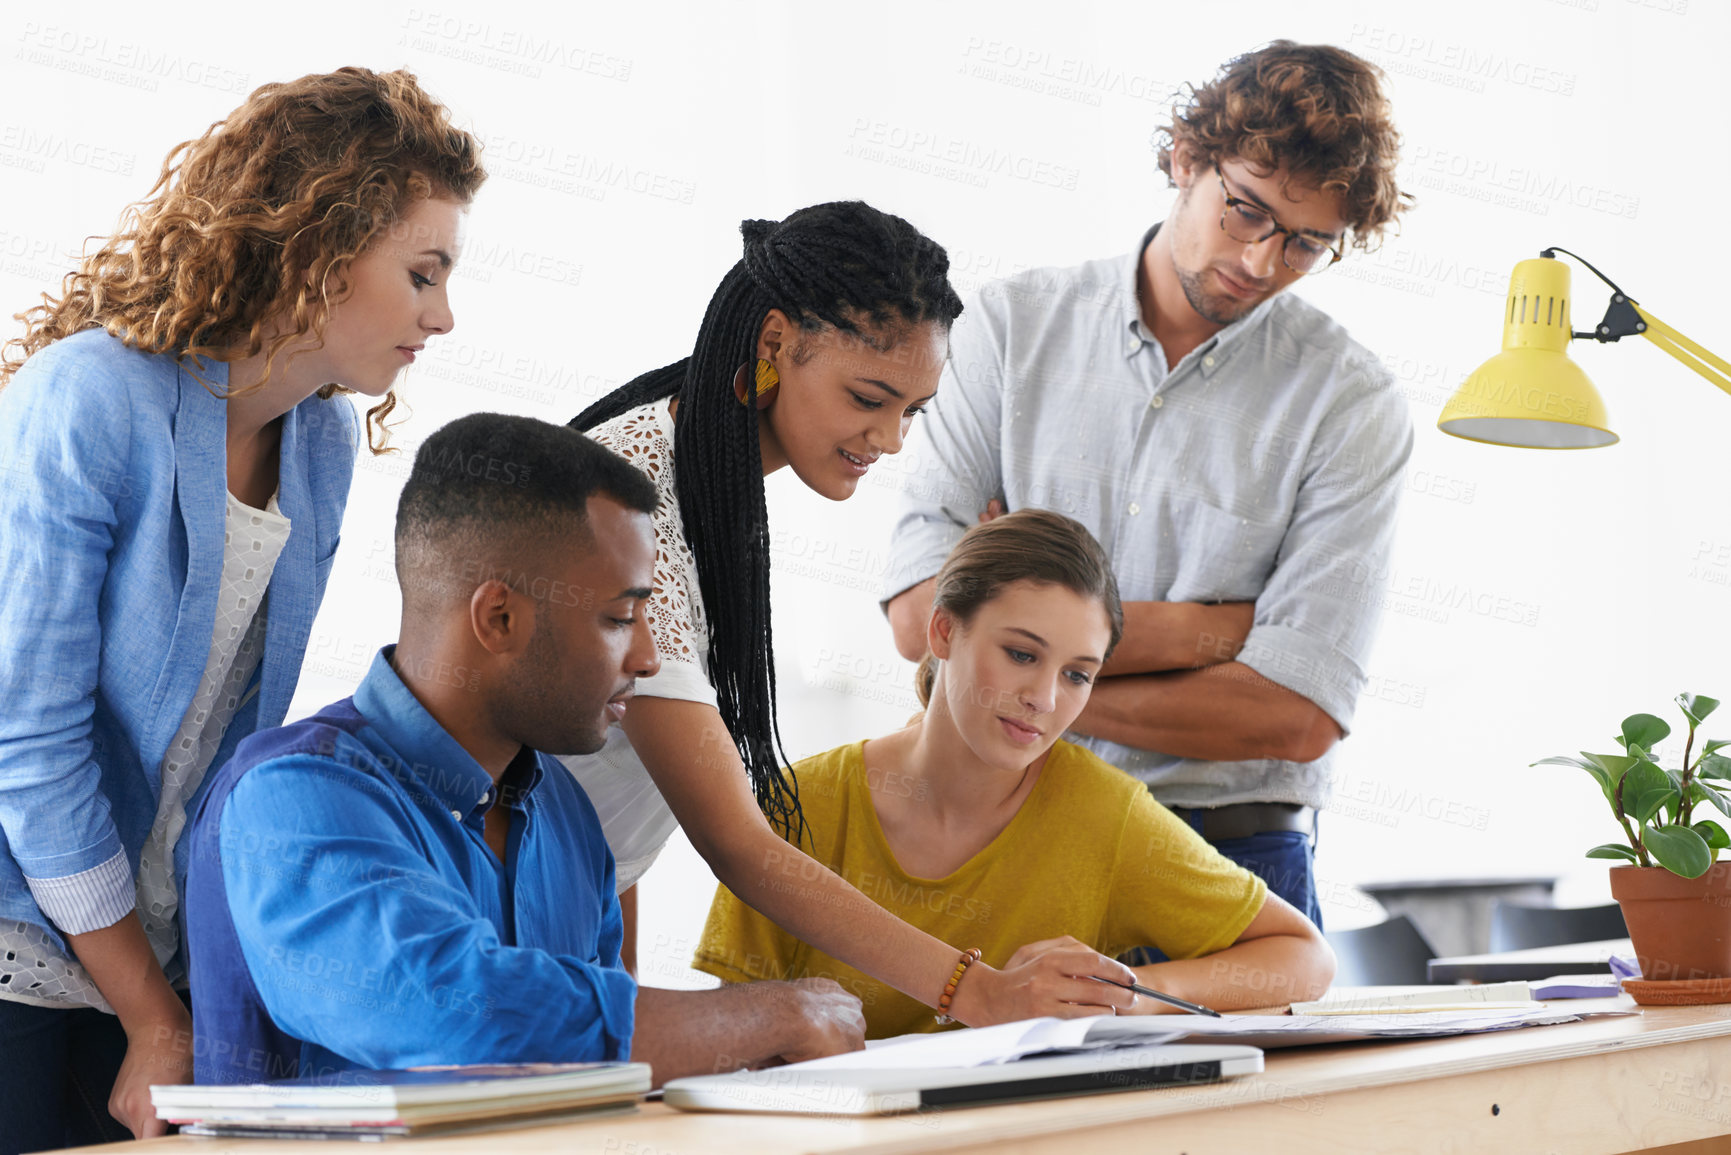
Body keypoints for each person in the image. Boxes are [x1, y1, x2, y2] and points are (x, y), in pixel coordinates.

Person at [0, 67, 483, 1150]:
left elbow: (235, 748)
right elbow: (28, 745)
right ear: (319, 245)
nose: (442, 316)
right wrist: (151, 1015)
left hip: (146, 962)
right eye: (422, 273)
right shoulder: (86, 400)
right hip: (25, 950)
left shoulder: (316, 446)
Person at [566, 202, 1143, 1028]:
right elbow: (737, 840)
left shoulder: (706, 479)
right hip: (493, 923)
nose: (893, 438)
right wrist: (975, 989)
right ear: (773, 345)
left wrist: (610, 1016)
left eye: (912, 409)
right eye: (870, 397)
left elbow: (608, 822)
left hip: (572, 918)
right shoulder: (628, 498)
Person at [883, 42, 1415, 929]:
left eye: (1306, 244)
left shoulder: (1350, 403)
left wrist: (1015, 661)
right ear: (1185, 159)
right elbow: (919, 618)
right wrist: (1219, 633)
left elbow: (1295, 717)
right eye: (1244, 212)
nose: (1260, 261)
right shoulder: (1011, 329)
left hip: (1230, 850)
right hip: (1009, 833)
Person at [186, 414, 866, 1086]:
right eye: (619, 618)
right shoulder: (293, 794)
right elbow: (457, 1016)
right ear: (499, 618)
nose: (650, 655)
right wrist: (762, 1015)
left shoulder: (564, 807)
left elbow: (595, 1074)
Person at [698, 510, 1334, 1036]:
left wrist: (1130, 992)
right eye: (1021, 654)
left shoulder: (1101, 813)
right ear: (943, 631)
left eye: (1077, 674)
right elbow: (730, 1037)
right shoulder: (801, 805)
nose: (1046, 698)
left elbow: (1304, 957)